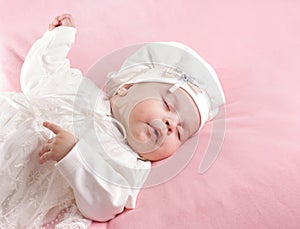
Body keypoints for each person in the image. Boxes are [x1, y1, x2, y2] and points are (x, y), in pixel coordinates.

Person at [0, 13, 225, 228]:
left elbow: (105, 205)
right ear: (125, 88)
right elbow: (39, 78)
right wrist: (58, 39)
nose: (170, 124)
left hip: (17, 193)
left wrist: (74, 156)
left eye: (180, 132)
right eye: (167, 105)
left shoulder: (129, 164)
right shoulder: (81, 89)